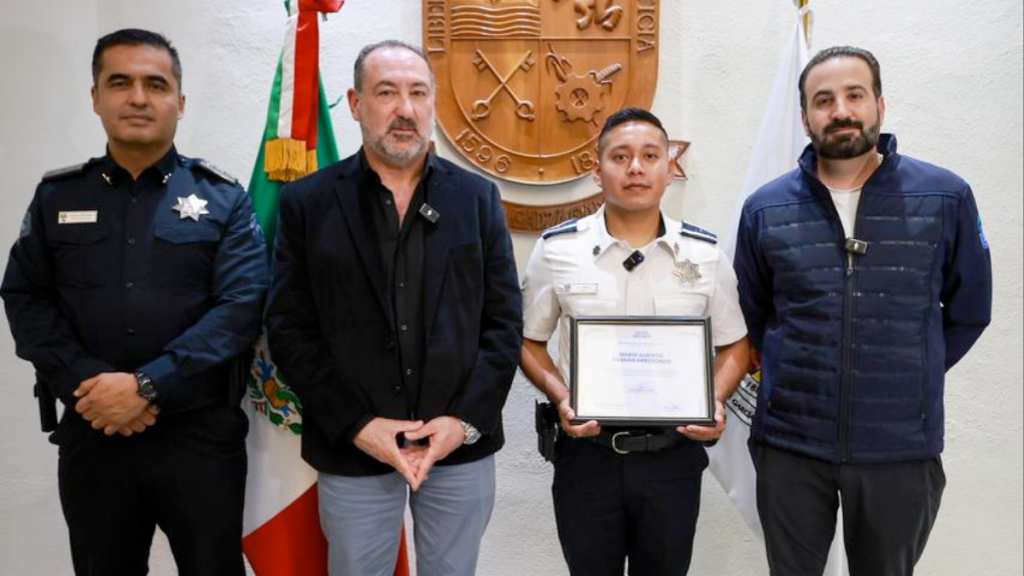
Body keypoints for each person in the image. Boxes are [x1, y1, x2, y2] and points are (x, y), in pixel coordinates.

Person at [1, 29, 267, 576]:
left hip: (199, 439)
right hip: (93, 429)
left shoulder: (223, 198)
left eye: (156, 84)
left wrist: (147, 385)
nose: (138, 98)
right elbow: (26, 297)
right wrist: (90, 384)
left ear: (180, 102)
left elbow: (241, 306)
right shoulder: (58, 196)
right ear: (95, 97)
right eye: (119, 82)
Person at [264, 40, 522, 576]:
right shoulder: (307, 203)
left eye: (418, 93)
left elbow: (502, 325)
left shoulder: (477, 198)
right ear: (356, 104)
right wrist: (357, 424)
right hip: (354, 446)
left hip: (458, 447)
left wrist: (464, 422)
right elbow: (290, 329)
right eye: (387, 92)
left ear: (432, 105)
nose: (405, 109)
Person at [733, 46, 993, 576]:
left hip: (899, 445)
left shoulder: (944, 196)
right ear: (805, 116)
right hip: (791, 444)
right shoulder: (766, 208)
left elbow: (970, 311)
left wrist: (906, 370)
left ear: (879, 104)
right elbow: (752, 316)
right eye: (823, 100)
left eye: (855, 95)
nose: (840, 110)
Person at [519, 107, 751, 576]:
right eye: (620, 156)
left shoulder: (704, 254)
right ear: (597, 169)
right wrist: (563, 397)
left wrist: (714, 400)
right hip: (586, 458)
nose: (636, 168)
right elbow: (527, 341)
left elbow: (736, 346)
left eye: (650, 156)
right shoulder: (558, 249)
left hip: (673, 458)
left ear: (669, 169)